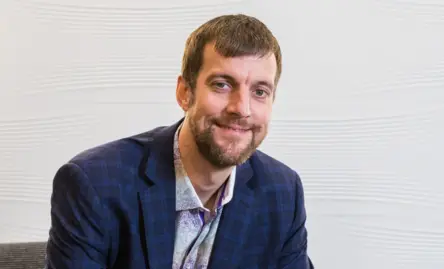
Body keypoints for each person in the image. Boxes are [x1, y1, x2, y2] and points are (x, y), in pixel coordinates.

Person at [45, 14, 314, 269]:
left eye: (259, 91)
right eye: (222, 84)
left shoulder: (283, 192)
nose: (241, 108)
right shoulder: (94, 185)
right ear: (185, 93)